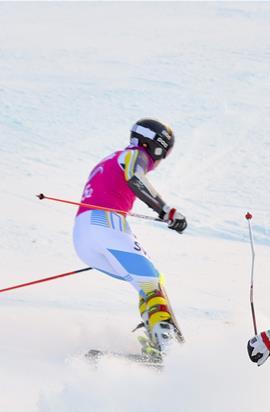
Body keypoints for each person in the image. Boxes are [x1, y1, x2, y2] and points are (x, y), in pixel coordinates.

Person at [73, 119, 187, 359]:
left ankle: (156, 340)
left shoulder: (109, 159)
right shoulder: (136, 155)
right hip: (106, 225)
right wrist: (166, 211)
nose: (158, 160)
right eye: (162, 153)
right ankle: (167, 348)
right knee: (152, 281)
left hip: (83, 235)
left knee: (146, 285)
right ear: (156, 146)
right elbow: (135, 177)